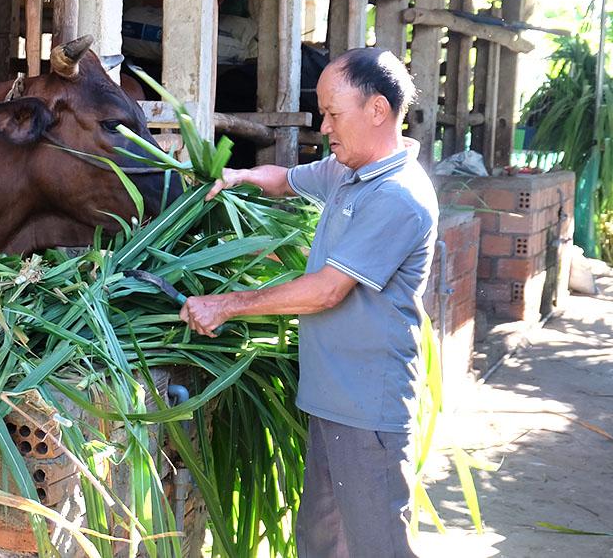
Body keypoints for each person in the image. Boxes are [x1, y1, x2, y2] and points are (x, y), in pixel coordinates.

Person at [181, 47, 438, 558]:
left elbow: (326, 291)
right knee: (322, 541)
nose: (324, 127)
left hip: (368, 411)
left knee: (378, 548)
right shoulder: (349, 171)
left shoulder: (397, 196)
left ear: (377, 110)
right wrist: (241, 177)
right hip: (330, 401)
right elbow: (287, 180)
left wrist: (226, 304)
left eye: (333, 114)